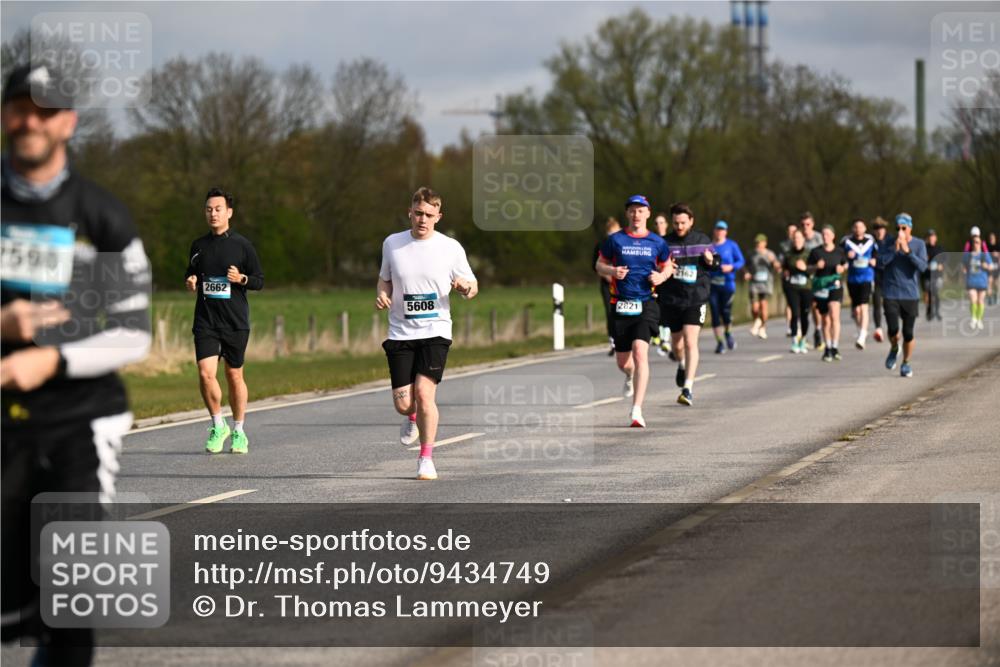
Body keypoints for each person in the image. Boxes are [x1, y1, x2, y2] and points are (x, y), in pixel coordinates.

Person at [2, 63, 152, 667]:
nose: (30, 120)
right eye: (19, 107)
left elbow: (131, 332)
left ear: (68, 121)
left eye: (45, 110)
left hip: (82, 422)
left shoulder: (99, 217)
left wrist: (52, 360)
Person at [376, 187, 477, 480]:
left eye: (429, 215)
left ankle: (426, 459)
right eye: (418, 213)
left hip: (436, 331)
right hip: (400, 333)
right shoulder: (392, 244)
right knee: (404, 403)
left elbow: (473, 285)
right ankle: (411, 417)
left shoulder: (450, 247)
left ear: (438, 217)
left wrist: (465, 288)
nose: (422, 219)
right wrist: (382, 296)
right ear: (410, 212)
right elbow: (384, 281)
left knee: (424, 393)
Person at [185, 188, 264, 454]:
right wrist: (192, 280)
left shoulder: (243, 245)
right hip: (206, 321)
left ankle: (239, 430)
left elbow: (259, 280)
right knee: (205, 373)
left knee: (233, 375)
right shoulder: (198, 245)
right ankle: (218, 425)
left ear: (229, 212)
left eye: (218, 209)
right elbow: (191, 272)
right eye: (208, 209)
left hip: (235, 322)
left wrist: (241, 279)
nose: (213, 213)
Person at [595, 195, 672, 427]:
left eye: (641, 211)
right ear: (627, 214)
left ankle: (637, 410)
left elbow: (667, 265)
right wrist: (612, 270)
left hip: (646, 303)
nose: (636, 215)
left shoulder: (657, 242)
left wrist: (661, 276)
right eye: (632, 211)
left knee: (641, 352)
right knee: (623, 362)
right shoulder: (615, 240)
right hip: (620, 303)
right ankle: (629, 375)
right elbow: (598, 265)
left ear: (648, 214)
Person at [660, 203, 719, 406]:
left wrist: (711, 260)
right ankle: (682, 363)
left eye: (683, 223)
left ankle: (688, 388)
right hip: (672, 299)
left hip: (696, 297)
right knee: (677, 345)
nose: (679, 226)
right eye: (676, 223)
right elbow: (656, 265)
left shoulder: (702, 240)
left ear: (691, 221)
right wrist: (665, 266)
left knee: (690, 341)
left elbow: (716, 263)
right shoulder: (664, 243)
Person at [878, 213, 928, 378]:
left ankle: (906, 363)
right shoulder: (887, 242)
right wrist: (895, 250)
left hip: (910, 294)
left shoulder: (919, 244)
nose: (900, 231)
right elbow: (880, 263)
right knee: (893, 329)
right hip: (891, 292)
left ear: (910, 228)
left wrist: (908, 252)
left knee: (908, 333)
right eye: (898, 228)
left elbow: (922, 267)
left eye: (903, 228)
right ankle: (894, 348)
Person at [809, 224, 849, 361]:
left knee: (834, 314)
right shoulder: (816, 252)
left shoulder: (839, 251)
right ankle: (828, 347)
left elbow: (845, 264)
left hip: (835, 286)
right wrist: (815, 266)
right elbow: (808, 269)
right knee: (825, 320)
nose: (825, 237)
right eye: (823, 234)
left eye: (827, 234)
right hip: (821, 287)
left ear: (833, 236)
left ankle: (835, 347)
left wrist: (842, 268)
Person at [708, 221, 745, 354]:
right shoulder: (709, 246)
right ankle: (719, 342)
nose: (719, 232)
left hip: (728, 284)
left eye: (722, 229)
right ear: (714, 231)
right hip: (712, 284)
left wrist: (731, 267)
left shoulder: (732, 245)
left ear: (726, 232)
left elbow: (741, 261)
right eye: (718, 229)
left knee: (726, 313)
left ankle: (728, 333)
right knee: (715, 313)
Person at [842, 218, 877, 349]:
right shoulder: (846, 242)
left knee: (864, 306)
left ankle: (862, 336)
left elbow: (877, 254)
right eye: (856, 227)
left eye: (861, 227)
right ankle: (861, 330)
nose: (858, 229)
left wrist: (874, 260)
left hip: (867, 277)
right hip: (852, 278)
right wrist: (846, 256)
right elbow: (839, 256)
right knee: (856, 310)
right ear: (853, 229)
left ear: (865, 228)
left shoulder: (871, 241)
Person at [593, 217, 621, 356]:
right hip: (607, 284)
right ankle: (613, 341)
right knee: (610, 312)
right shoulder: (602, 245)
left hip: (623, 284)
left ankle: (624, 337)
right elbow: (596, 266)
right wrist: (608, 276)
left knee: (622, 312)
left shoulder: (625, 244)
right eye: (611, 234)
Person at [782, 228, 813, 353]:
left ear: (803, 240)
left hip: (806, 288)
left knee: (805, 314)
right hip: (792, 288)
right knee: (795, 313)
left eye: (799, 238)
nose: (797, 240)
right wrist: (785, 273)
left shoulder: (809, 254)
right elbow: (784, 269)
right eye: (795, 238)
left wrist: (805, 268)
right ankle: (795, 340)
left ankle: (803, 339)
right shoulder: (788, 254)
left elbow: (814, 270)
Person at [744, 233, 780, 339]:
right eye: (757, 243)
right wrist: (746, 273)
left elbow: (777, 265)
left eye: (760, 242)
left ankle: (763, 327)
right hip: (754, 283)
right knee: (755, 307)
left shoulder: (770, 254)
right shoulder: (751, 253)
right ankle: (757, 321)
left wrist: (775, 263)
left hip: (766, 283)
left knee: (763, 305)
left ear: (765, 243)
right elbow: (745, 266)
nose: (758, 245)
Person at [800, 212, 825, 350]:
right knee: (804, 307)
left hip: (817, 276)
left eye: (808, 224)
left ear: (813, 224)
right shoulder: (798, 238)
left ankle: (818, 330)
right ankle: (802, 335)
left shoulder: (819, 238)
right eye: (803, 225)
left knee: (815, 306)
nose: (805, 227)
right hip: (802, 277)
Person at [651, 212, 672, 357]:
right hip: (654, 279)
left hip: (668, 279)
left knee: (667, 308)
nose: (659, 225)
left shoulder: (670, 240)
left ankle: (665, 339)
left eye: (662, 222)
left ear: (666, 224)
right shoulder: (651, 240)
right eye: (657, 223)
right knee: (655, 307)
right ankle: (657, 334)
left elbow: (673, 259)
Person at [964, 232, 994, 330]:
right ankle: (973, 318)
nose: (976, 244)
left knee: (980, 301)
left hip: (982, 281)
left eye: (978, 242)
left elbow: (992, 266)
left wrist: (987, 266)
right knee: (973, 299)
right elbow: (963, 266)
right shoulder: (968, 255)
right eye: (974, 242)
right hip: (971, 281)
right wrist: (964, 269)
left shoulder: (984, 255)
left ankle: (979, 319)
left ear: (980, 244)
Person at [778, 222, 798, 337]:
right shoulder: (783, 246)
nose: (791, 234)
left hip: (800, 278)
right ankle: (790, 326)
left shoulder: (801, 243)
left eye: (793, 231)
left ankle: (797, 324)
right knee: (790, 302)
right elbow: (780, 260)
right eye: (789, 231)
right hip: (787, 277)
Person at [871, 217, 889, 342]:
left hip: (889, 278)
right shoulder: (871, 242)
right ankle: (878, 328)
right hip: (875, 277)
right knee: (876, 303)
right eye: (876, 228)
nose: (879, 231)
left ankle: (892, 327)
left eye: (881, 228)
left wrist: (877, 262)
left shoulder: (890, 241)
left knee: (889, 305)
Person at [923, 228, 945, 321]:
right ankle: (929, 310)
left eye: (933, 236)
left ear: (935, 238)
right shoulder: (924, 248)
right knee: (929, 293)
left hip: (937, 276)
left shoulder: (940, 248)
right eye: (929, 237)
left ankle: (937, 312)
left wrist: (941, 265)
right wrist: (926, 266)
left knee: (935, 292)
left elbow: (944, 260)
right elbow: (921, 260)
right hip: (927, 275)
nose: (931, 238)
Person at [988, 231, 999, 306]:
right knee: (989, 283)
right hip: (990, 268)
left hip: (997, 268)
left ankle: (997, 297)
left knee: (997, 284)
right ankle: (990, 298)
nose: (991, 239)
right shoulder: (987, 247)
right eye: (990, 238)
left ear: (995, 238)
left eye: (992, 238)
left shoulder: (998, 246)